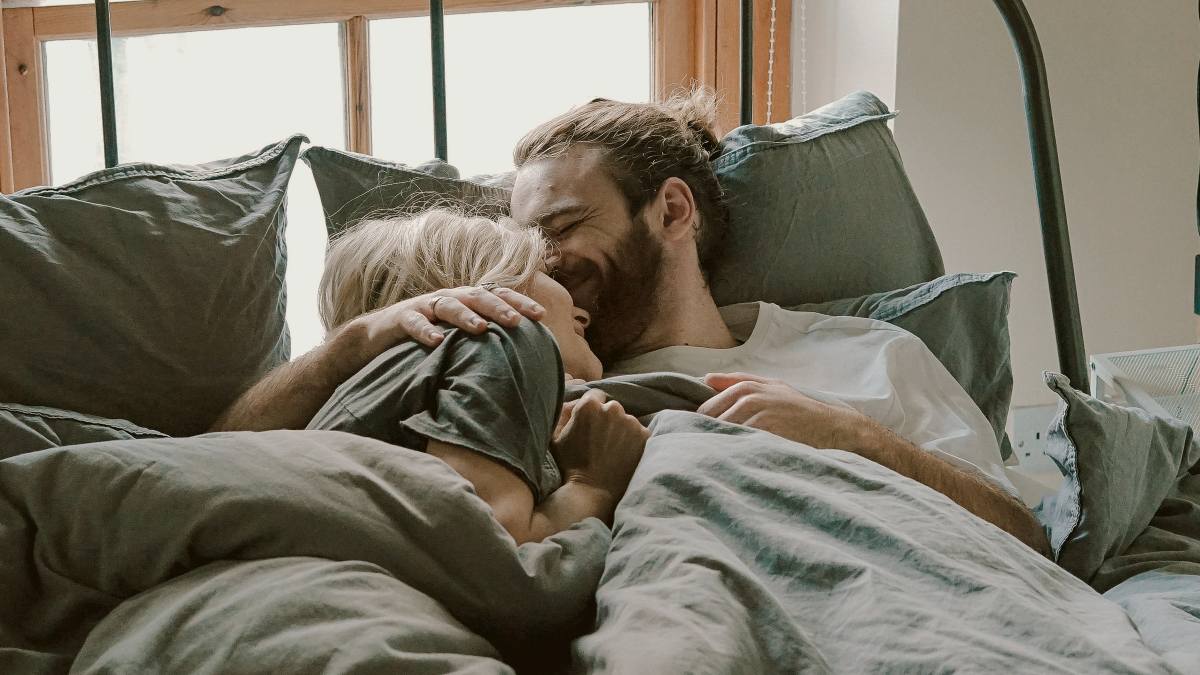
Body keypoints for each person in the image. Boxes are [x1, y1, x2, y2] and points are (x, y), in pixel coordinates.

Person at [214, 92, 1049, 556]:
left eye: (563, 227)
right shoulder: (513, 359)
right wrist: (357, 342)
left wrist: (857, 440)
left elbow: (1029, 540)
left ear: (671, 211)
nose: (539, 260)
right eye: (522, 242)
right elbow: (232, 458)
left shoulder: (865, 357)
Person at [296, 208, 648, 545]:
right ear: (483, 287)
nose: (582, 311)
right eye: (548, 274)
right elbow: (500, 553)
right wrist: (592, 486)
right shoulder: (497, 341)